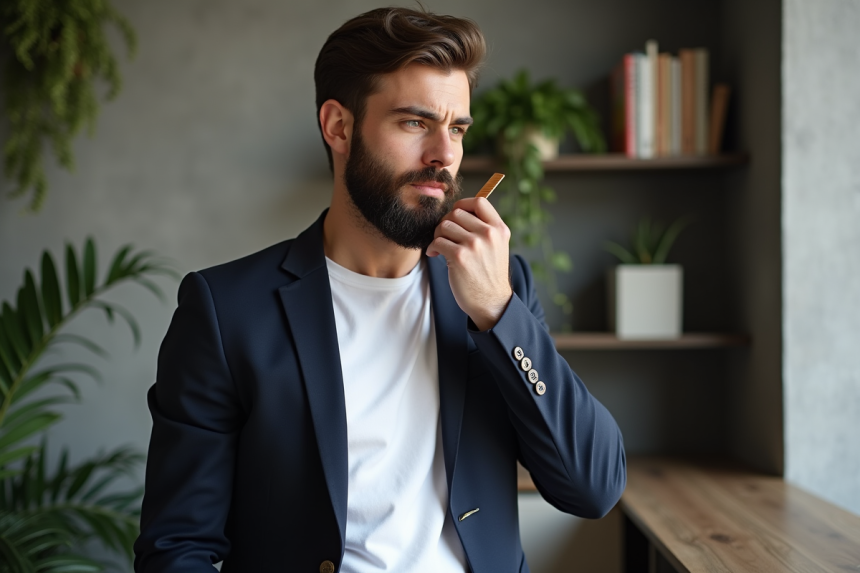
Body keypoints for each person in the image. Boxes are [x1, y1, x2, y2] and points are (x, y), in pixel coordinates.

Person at [133, 7, 625, 573]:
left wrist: (498, 312)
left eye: (457, 128)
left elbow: (593, 488)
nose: (444, 154)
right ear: (338, 127)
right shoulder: (226, 312)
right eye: (415, 123)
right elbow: (177, 549)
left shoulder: (500, 292)